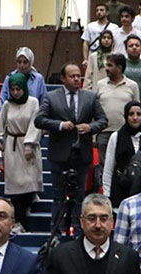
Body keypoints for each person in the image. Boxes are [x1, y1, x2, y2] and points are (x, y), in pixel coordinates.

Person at [34, 62, 107, 231]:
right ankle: (56, 232)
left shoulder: (90, 97)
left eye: (78, 76)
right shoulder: (51, 97)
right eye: (72, 76)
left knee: (80, 196)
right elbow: (39, 120)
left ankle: (79, 230)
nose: (76, 79)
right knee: (58, 196)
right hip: (60, 154)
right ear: (63, 78)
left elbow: (103, 120)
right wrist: (59, 125)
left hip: (82, 154)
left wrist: (90, 128)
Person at [0, 72, 42, 233]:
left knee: (27, 181)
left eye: (18, 89)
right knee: (15, 183)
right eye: (12, 89)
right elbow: (1, 124)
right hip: (12, 147)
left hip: (27, 145)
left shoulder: (33, 103)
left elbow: (36, 124)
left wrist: (30, 144)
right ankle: (18, 219)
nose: (15, 93)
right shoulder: (7, 105)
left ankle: (23, 218)